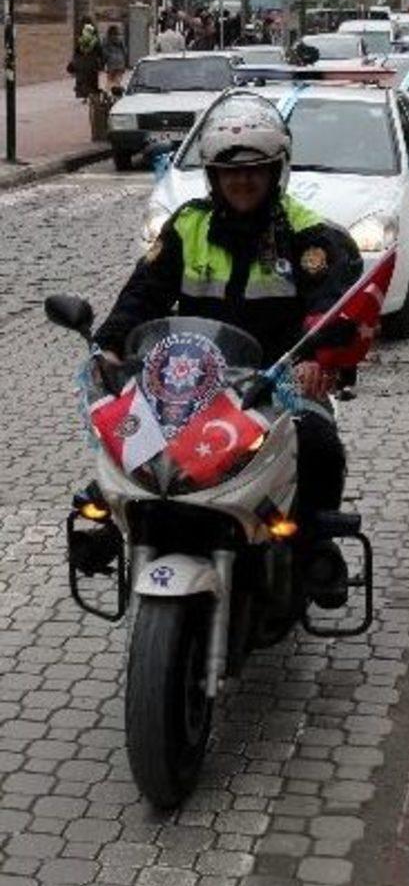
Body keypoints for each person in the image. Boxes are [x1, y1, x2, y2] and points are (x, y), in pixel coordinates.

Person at [93, 93, 363, 603]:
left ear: (275, 172)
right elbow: (144, 292)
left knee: (321, 443)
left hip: (276, 383)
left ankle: (315, 546)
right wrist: (109, 346)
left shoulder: (310, 238)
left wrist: (320, 361)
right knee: (122, 428)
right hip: (192, 381)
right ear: (212, 176)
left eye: (256, 171)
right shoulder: (188, 226)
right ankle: (112, 521)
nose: (242, 182)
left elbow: (333, 308)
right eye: (229, 172)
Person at [67, 22, 104, 101]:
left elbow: (76, 53)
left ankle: (84, 97)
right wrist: (101, 64)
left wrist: (75, 62)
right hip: (92, 63)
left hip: (82, 63)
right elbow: (100, 52)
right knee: (92, 80)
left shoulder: (80, 40)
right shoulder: (95, 40)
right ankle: (92, 95)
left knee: (83, 80)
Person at [102, 24, 127, 94]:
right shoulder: (120, 39)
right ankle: (116, 94)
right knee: (117, 80)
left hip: (111, 62)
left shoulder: (106, 40)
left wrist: (104, 62)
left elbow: (104, 52)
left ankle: (108, 93)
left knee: (110, 79)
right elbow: (125, 51)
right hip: (120, 61)